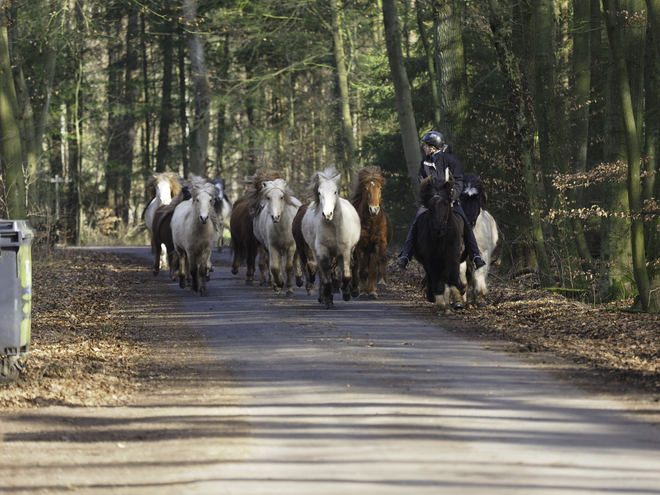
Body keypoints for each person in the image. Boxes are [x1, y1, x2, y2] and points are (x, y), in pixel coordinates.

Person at [397, 131, 486, 270]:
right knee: (416, 223)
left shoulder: (451, 161)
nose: (424, 148)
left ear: (433, 147)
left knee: (466, 225)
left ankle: (476, 256)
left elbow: (459, 181)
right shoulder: (424, 162)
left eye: (426, 145)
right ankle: (406, 255)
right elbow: (422, 182)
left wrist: (452, 197)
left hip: (450, 201)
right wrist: (429, 198)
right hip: (431, 202)